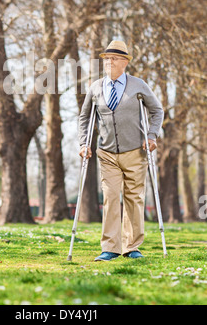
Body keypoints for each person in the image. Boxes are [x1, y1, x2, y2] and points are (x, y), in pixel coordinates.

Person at [78, 40, 164, 261]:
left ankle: (132, 247)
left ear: (125, 62)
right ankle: (110, 247)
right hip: (106, 153)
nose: (109, 62)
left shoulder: (138, 85)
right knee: (110, 197)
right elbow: (85, 117)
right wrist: (83, 143)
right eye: (107, 58)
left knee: (134, 198)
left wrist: (152, 135)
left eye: (115, 58)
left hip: (135, 151)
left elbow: (157, 110)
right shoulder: (96, 87)